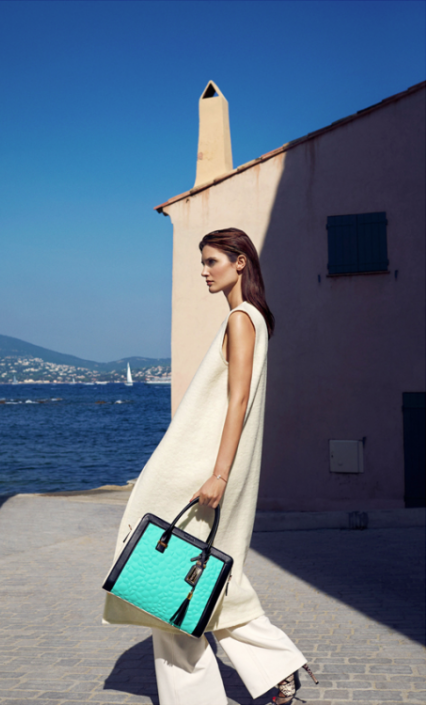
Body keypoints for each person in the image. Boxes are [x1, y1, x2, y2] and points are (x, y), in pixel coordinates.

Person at [103, 228, 318, 704]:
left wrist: (219, 474)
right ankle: (278, 664)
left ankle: (229, 685)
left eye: (211, 261)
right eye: (202, 262)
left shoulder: (241, 320)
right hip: (211, 468)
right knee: (200, 579)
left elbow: (237, 400)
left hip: (204, 470)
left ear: (240, 263)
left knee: (169, 588)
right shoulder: (252, 318)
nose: (204, 271)